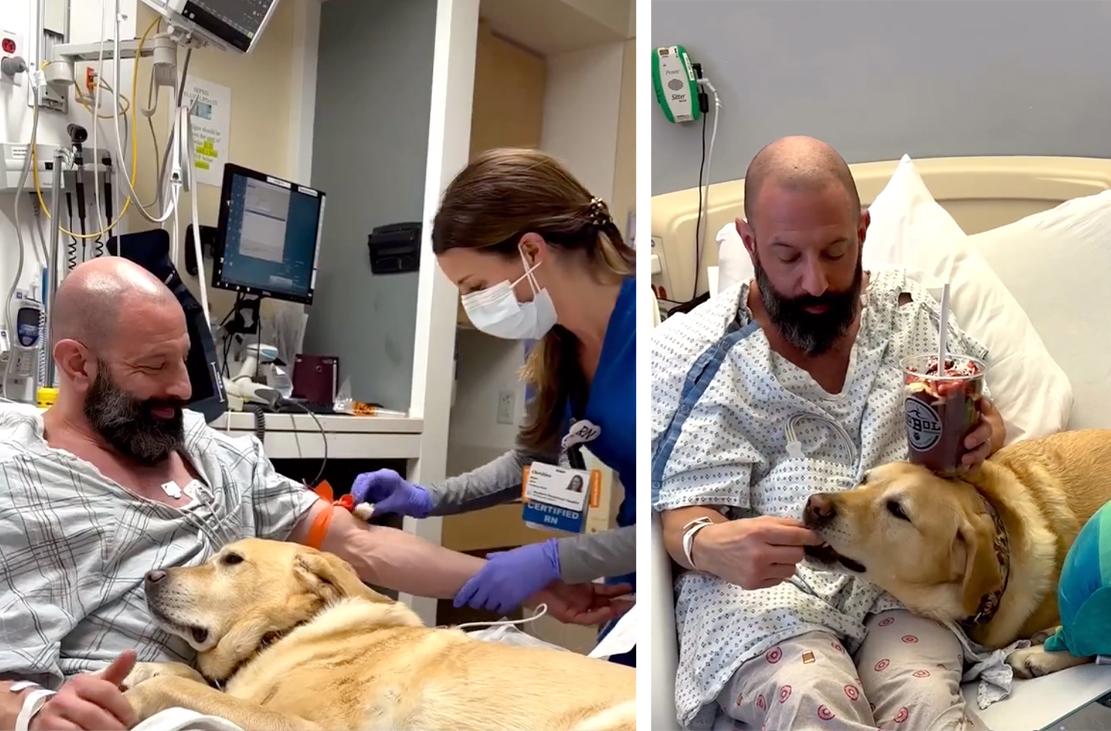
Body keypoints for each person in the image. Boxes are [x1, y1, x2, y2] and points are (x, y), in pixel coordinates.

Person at [0, 257, 628, 731]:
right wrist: (31, 713)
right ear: (76, 364)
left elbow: (357, 543)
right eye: (152, 368)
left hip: (297, 683)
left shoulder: (206, 446)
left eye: (185, 361)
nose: (182, 388)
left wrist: (524, 580)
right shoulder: (21, 483)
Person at [652, 136, 1006, 730]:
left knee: (923, 705)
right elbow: (683, 514)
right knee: (811, 697)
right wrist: (708, 544)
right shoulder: (699, 353)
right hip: (766, 597)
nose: (815, 283)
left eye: (836, 252)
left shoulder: (911, 315)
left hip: (901, 584)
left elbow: (975, 410)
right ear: (750, 243)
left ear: (862, 232)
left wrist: (986, 430)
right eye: (787, 257)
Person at [350, 148, 636, 659]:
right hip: (630, 582)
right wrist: (423, 497)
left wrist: (550, 561)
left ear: (531, 250)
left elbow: (687, 521)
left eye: (475, 286)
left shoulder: (655, 332)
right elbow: (531, 464)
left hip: (688, 557)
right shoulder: (556, 345)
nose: (474, 306)